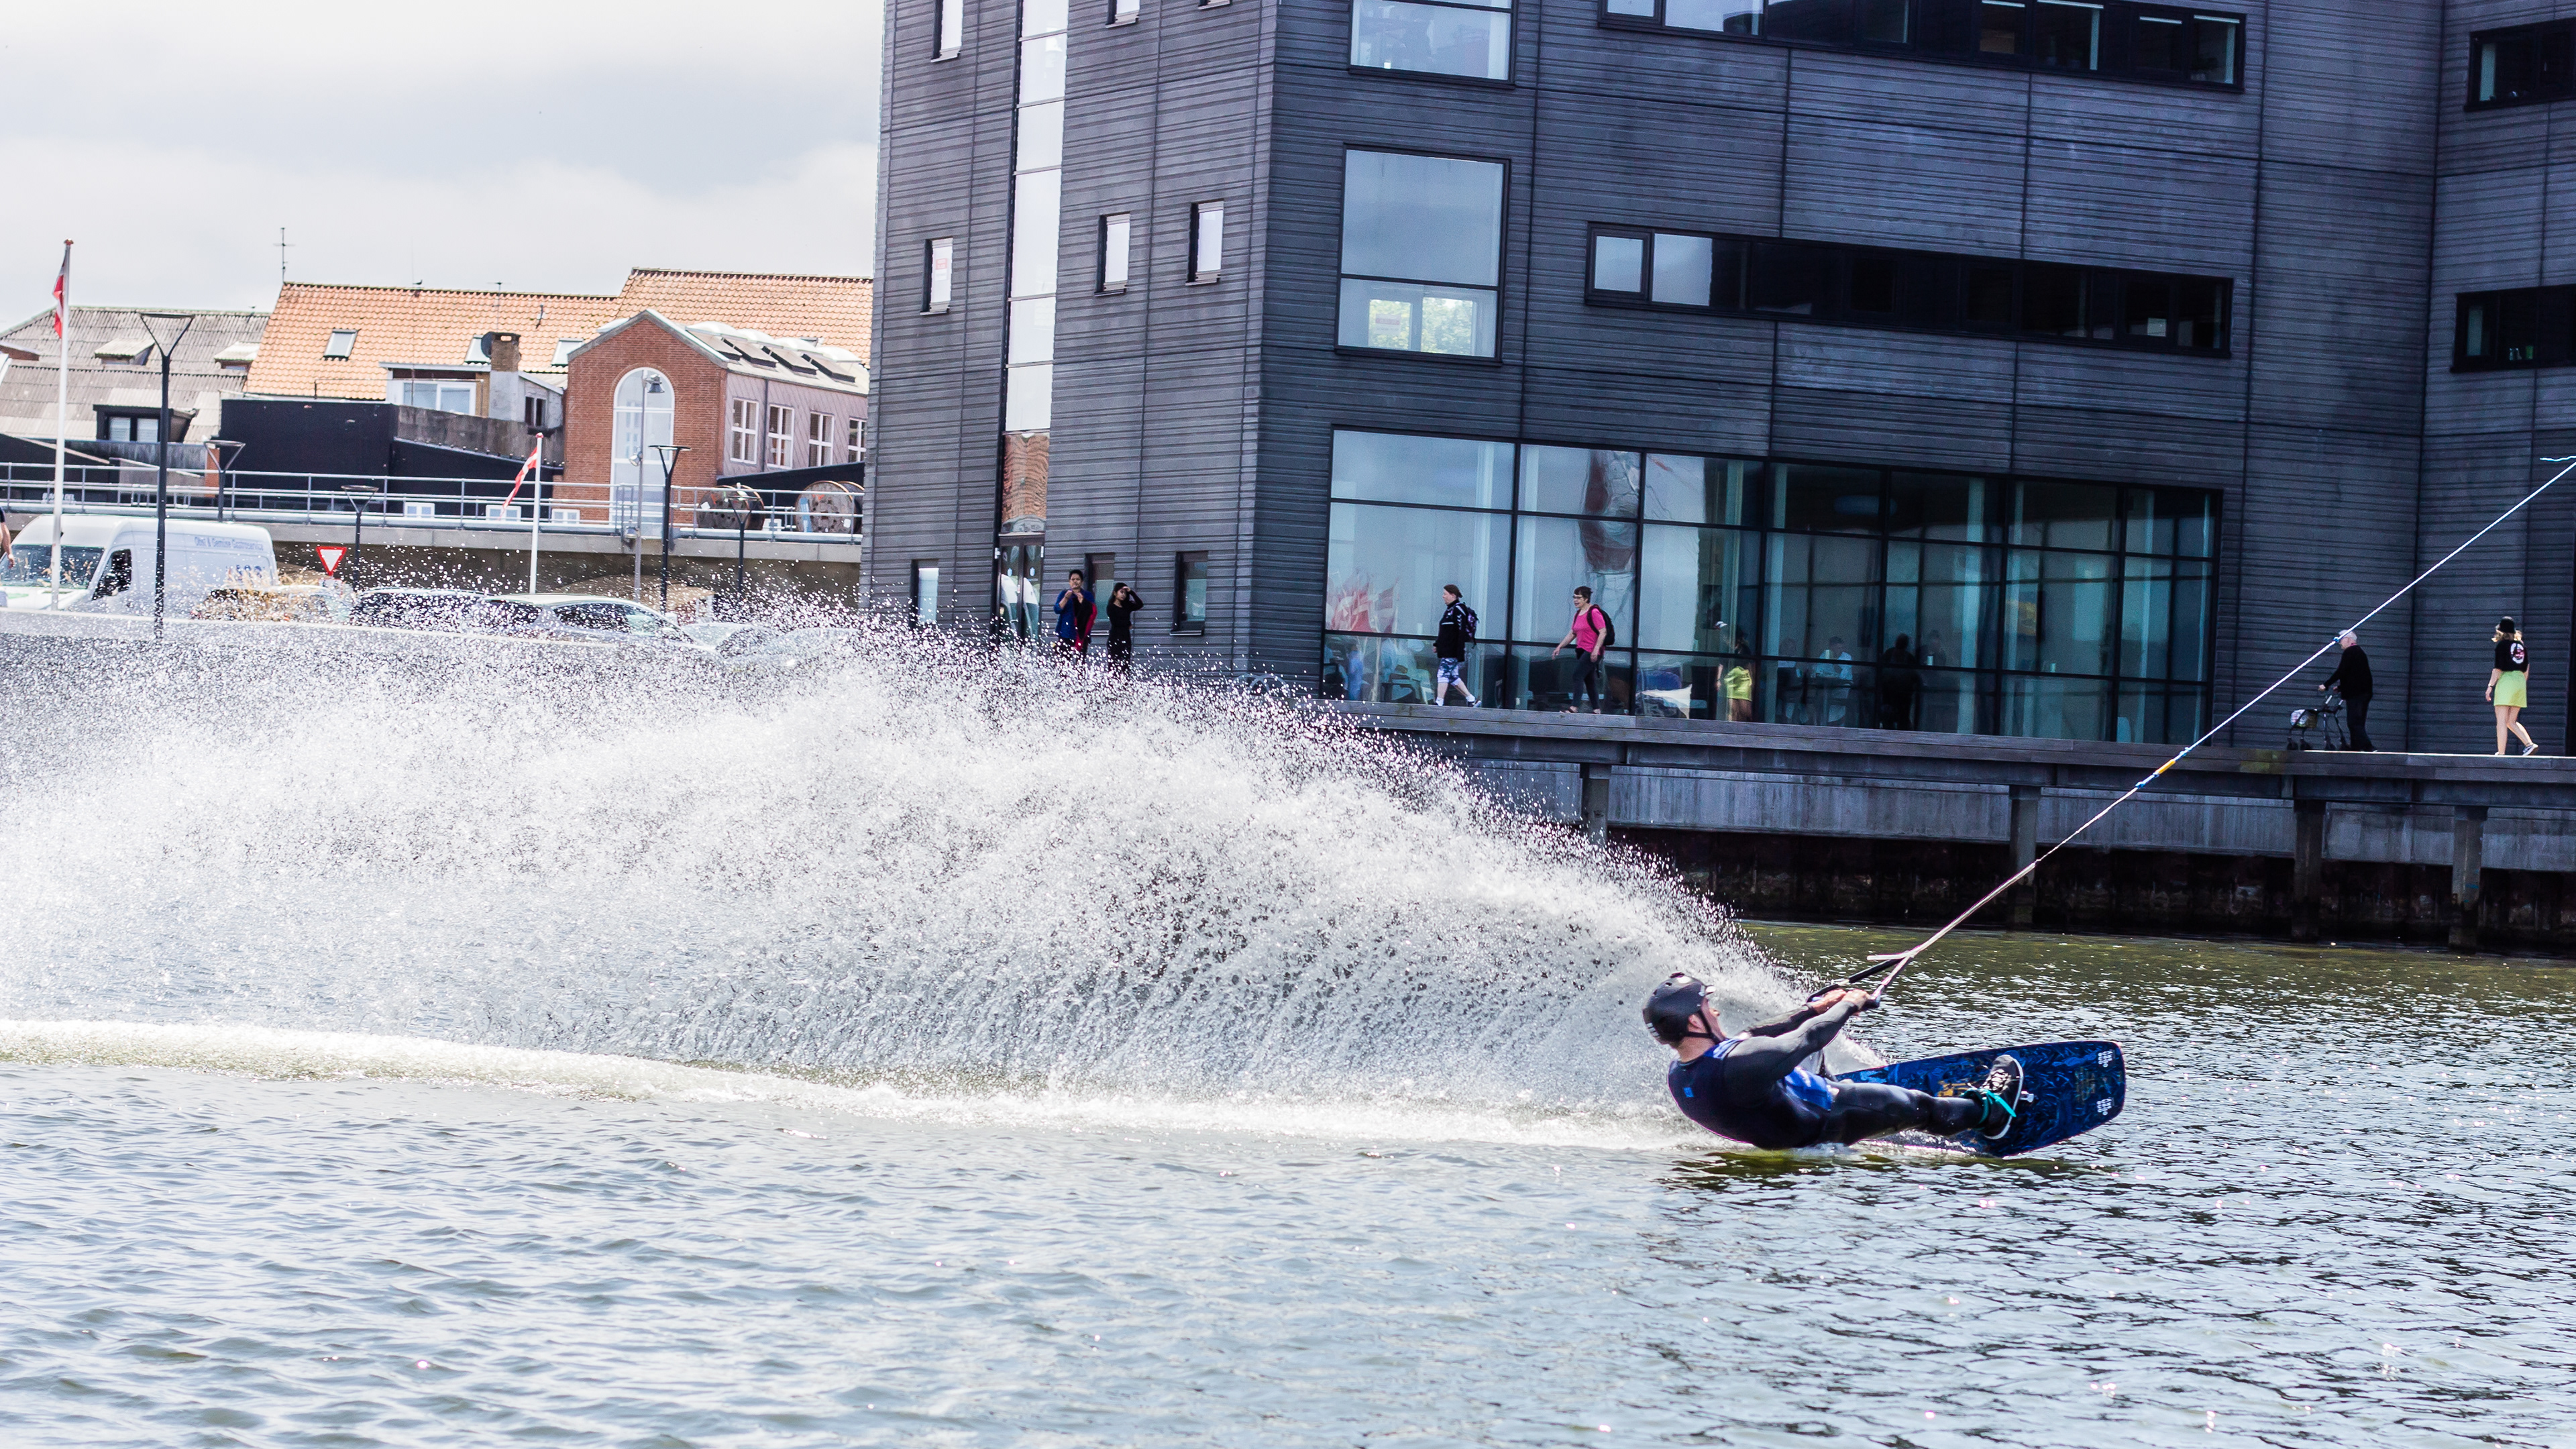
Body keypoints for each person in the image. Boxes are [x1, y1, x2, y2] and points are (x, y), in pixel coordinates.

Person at [1644, 972, 2025, 1150]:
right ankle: (1990, 1113)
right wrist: (1849, 1005)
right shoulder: (1740, 1066)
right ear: (1694, 1022)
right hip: (1833, 1116)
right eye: (1707, 1006)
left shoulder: (1682, 1076)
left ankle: (1850, 1100)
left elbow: (1753, 1035)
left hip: (1787, 1125)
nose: (1716, 1011)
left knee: (1798, 1059)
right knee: (1919, 1107)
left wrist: (1815, 1008)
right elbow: (1808, 1039)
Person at [1552, 586, 1612, 712]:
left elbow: (1603, 631)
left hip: (1592, 651)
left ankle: (1574, 707)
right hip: (1582, 650)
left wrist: (1596, 650)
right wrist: (1560, 647)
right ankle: (1597, 709)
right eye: (1574, 597)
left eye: (1578, 598)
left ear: (1586, 599)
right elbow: (1572, 633)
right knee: (1589, 680)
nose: (1575, 600)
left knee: (1577, 675)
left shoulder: (1594, 613)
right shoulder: (1578, 614)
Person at [2489, 615, 2538, 755]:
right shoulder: (2521, 646)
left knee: (2501, 721)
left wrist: (2490, 686)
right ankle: (2529, 744)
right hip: (2520, 681)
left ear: (2501, 631)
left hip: (2507, 681)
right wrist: (2521, 685)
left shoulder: (2502, 645)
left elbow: (2498, 669)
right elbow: (2526, 667)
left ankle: (2501, 753)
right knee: (2511, 721)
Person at [2318, 630, 2373, 751]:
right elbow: (2354, 675)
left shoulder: (2350, 652)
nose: (2340, 643)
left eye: (2341, 640)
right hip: (2364, 692)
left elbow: (2341, 671)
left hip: (2356, 694)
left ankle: (2368, 747)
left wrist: (2326, 685)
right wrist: (2341, 688)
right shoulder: (2359, 653)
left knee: (2354, 722)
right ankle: (2355, 748)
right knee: (2358, 721)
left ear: (2348, 639)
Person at [1434, 584, 1480, 706]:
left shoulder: (1458, 609)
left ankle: (1439, 702)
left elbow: (1460, 632)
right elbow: (1445, 632)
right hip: (1448, 650)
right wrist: (1437, 644)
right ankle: (1471, 699)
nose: (1443, 596)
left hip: (1452, 650)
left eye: (1445, 594)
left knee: (1443, 674)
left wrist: (1459, 652)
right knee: (1453, 677)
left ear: (1453, 595)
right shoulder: (1449, 610)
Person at [1877, 633, 1921, 730]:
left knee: (1901, 719)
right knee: (1891, 718)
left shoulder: (1890, 655)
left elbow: (1915, 676)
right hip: (1891, 694)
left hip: (1902, 696)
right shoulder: (1891, 655)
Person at [1104, 582, 1144, 674]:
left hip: (1126, 638)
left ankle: (1125, 681)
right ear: (1115, 593)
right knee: (1114, 665)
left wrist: (1131, 592)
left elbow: (1140, 604)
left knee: (1125, 665)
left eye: (1125, 593)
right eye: (1121, 592)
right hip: (1115, 638)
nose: (1123, 595)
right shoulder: (1111, 607)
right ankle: (1113, 681)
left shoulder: (1127, 606)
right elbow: (1115, 622)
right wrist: (1128, 623)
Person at [1053, 570, 1094, 656]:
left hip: (1081, 634)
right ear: (1069, 582)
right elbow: (1057, 610)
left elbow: (1092, 612)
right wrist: (1066, 598)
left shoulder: (1087, 595)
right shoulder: (1064, 594)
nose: (1075, 581)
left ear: (1082, 582)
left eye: (1078, 579)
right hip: (1066, 633)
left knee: (1081, 661)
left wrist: (1083, 602)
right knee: (1064, 660)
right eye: (1073, 579)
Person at [1820, 637, 1855, 725]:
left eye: (1842, 648)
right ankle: (1821, 722)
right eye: (1838, 648)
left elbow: (1843, 675)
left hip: (1843, 685)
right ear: (1831, 647)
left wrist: (1834, 662)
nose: (1841, 650)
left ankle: (1836, 723)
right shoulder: (1825, 655)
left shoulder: (1847, 657)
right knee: (1819, 696)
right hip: (1826, 684)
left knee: (1837, 703)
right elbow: (1819, 670)